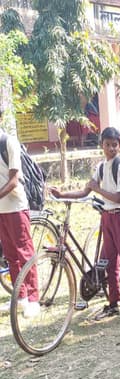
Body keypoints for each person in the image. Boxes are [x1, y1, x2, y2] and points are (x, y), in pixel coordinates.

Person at [49, 127, 120, 323]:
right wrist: (62, 194)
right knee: (110, 264)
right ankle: (113, 302)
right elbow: (85, 191)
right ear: (102, 145)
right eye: (107, 145)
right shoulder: (101, 167)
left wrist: (97, 189)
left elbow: (118, 198)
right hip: (107, 218)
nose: (111, 148)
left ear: (119, 145)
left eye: (114, 145)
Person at [0, 120, 39, 317]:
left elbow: (14, 180)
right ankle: (20, 296)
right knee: (10, 256)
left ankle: (33, 299)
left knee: (24, 253)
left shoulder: (8, 142)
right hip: (2, 210)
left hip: (15, 206)